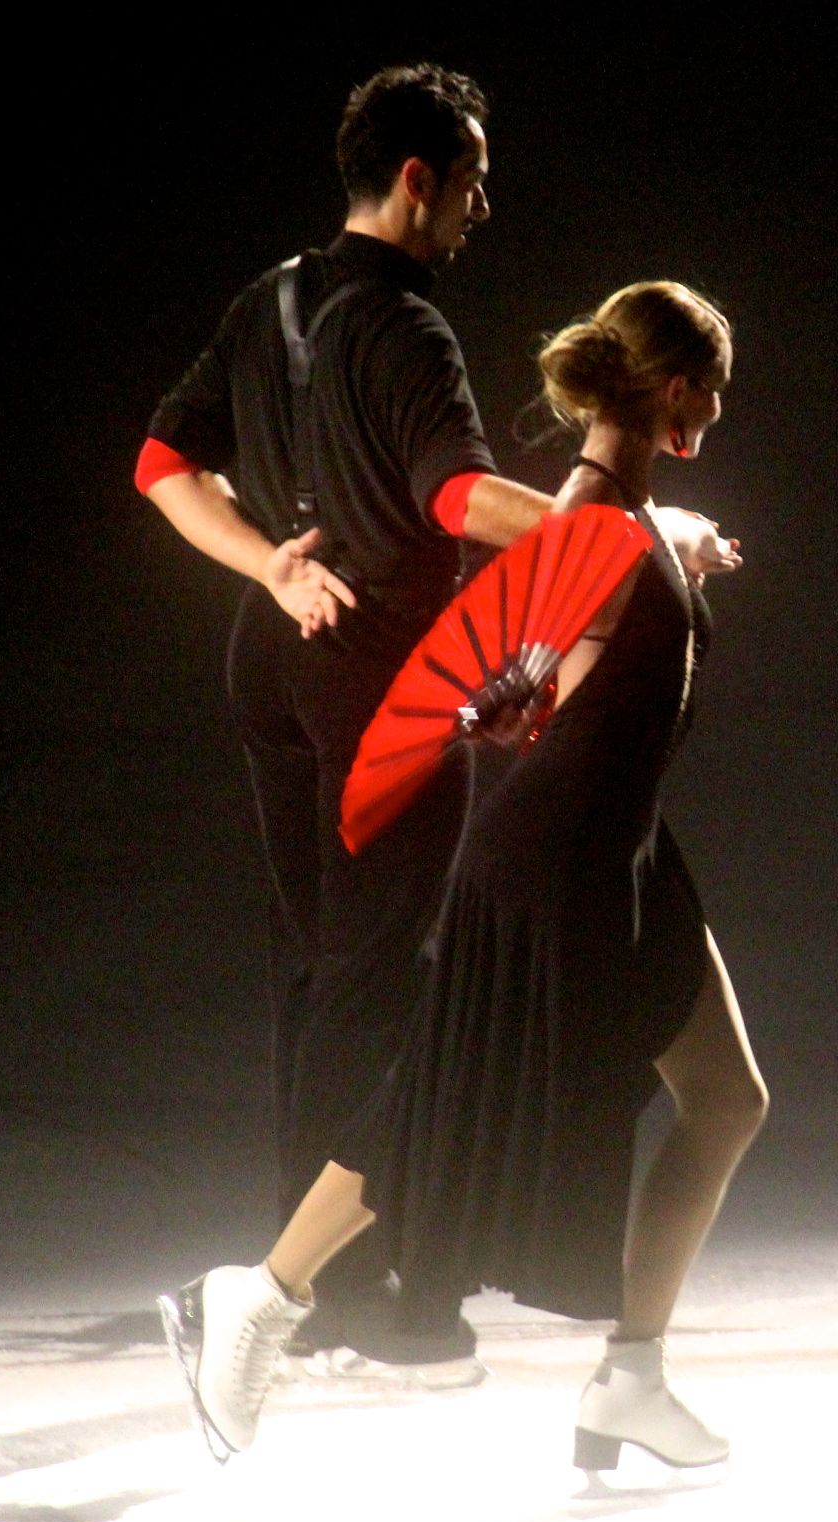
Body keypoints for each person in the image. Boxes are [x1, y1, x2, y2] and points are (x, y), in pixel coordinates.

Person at [166, 282, 767, 1472]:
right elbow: (527, 652)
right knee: (440, 1110)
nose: (715, 413)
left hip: (625, 846)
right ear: (680, 395)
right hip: (553, 858)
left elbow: (578, 607)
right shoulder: (590, 523)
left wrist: (673, 545)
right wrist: (646, 559)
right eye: (715, 393)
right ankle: (260, 1296)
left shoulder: (612, 519)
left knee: (726, 1098)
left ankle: (632, 1378)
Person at [138, 64, 565, 1378]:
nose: (482, 208)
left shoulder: (267, 298)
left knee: (321, 970)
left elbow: (161, 465)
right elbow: (458, 501)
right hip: (379, 685)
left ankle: (303, 1286)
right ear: (419, 180)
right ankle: (324, 1298)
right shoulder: (407, 327)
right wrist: (614, 534)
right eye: (474, 182)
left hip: (271, 666)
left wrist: (267, 567)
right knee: (378, 982)